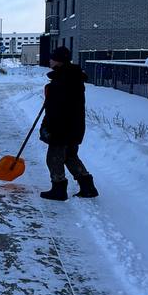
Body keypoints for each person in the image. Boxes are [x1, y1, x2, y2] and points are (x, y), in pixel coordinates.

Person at [39, 46, 98, 201]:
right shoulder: (71, 77)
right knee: (70, 156)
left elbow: (57, 109)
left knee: (54, 157)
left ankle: (58, 189)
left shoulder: (63, 80)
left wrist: (48, 127)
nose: (49, 60)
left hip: (62, 127)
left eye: (52, 58)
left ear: (58, 61)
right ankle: (88, 187)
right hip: (74, 126)